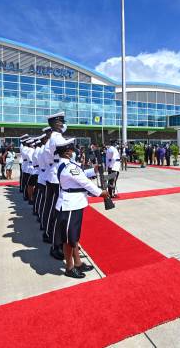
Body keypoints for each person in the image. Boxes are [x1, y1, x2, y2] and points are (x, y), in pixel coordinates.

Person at [54, 138, 109, 278]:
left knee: (74, 238)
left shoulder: (69, 164)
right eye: (72, 148)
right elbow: (84, 182)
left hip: (75, 204)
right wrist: (100, 193)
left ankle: (77, 263)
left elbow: (82, 174)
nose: (74, 151)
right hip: (69, 205)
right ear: (67, 152)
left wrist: (93, 170)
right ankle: (69, 267)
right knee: (68, 239)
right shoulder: (69, 167)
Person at [42, 112, 67, 261]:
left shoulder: (55, 137)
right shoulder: (56, 138)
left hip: (55, 173)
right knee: (57, 212)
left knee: (54, 210)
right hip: (57, 175)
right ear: (53, 124)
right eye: (59, 122)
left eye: (62, 122)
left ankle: (52, 237)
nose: (61, 124)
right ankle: (55, 244)